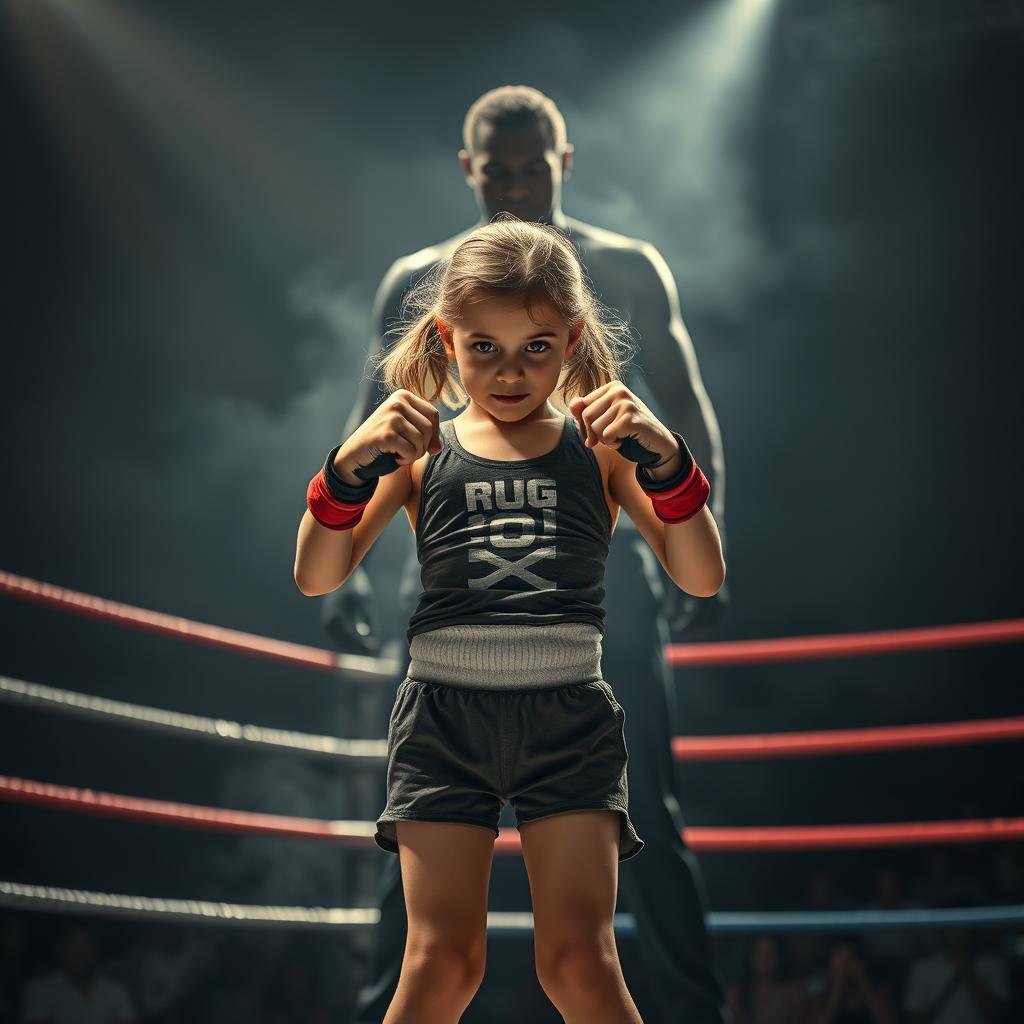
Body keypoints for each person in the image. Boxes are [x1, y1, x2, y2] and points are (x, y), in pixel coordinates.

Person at [323, 83, 731, 1024]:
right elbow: (376, 420)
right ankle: (382, 1008)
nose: (513, 187)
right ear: (468, 170)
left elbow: (684, 406)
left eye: (531, 168)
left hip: (601, 577)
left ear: (565, 162)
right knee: (419, 813)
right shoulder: (424, 281)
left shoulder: (623, 268)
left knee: (647, 809)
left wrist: (708, 530)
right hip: (452, 582)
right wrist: (348, 556)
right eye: (495, 170)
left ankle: (694, 1014)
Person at [20, 925, 136, 1024]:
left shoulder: (115, 989)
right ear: (60, 950)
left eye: (86, 945)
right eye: (73, 945)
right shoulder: (41, 989)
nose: (80, 952)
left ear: (95, 951)